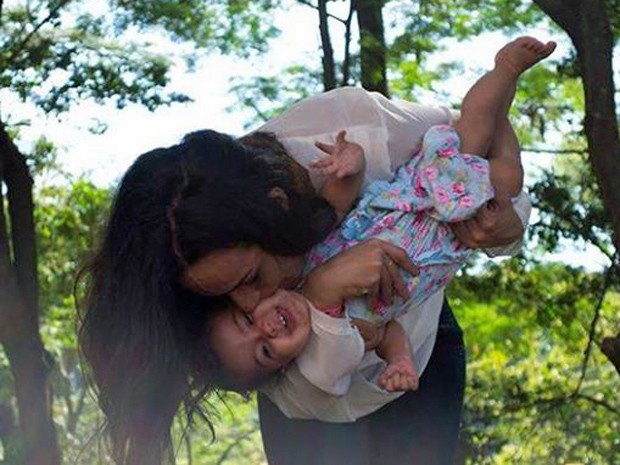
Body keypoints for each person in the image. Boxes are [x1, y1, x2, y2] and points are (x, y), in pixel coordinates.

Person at [78, 38, 537, 465]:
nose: (254, 306)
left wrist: (505, 224)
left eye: (251, 278)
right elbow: (294, 384)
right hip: (306, 409)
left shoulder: (349, 130)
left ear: (279, 210)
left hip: (418, 350)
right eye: (222, 299)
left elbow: (474, 143)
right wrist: (320, 290)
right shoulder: (212, 280)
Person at [204, 37, 556, 396]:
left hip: (417, 197)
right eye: (265, 351)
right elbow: (389, 333)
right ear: (282, 367)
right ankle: (504, 99)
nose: (267, 329)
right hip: (449, 239)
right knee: (509, 177)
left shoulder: (297, 263)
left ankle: (505, 70)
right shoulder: (348, 336)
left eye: (247, 319)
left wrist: (350, 165)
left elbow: (334, 208)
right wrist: (400, 362)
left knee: (475, 130)